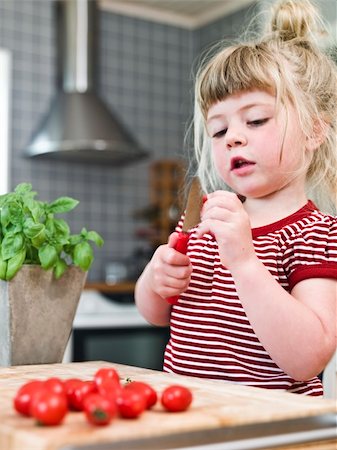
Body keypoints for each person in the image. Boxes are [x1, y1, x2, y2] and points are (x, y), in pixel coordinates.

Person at [135, 0, 337, 396]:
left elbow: (307, 359)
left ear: (314, 132)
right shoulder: (202, 220)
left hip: (269, 431)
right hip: (191, 419)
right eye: (218, 129)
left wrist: (244, 260)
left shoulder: (317, 235)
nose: (233, 137)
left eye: (256, 120)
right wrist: (155, 278)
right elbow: (154, 313)